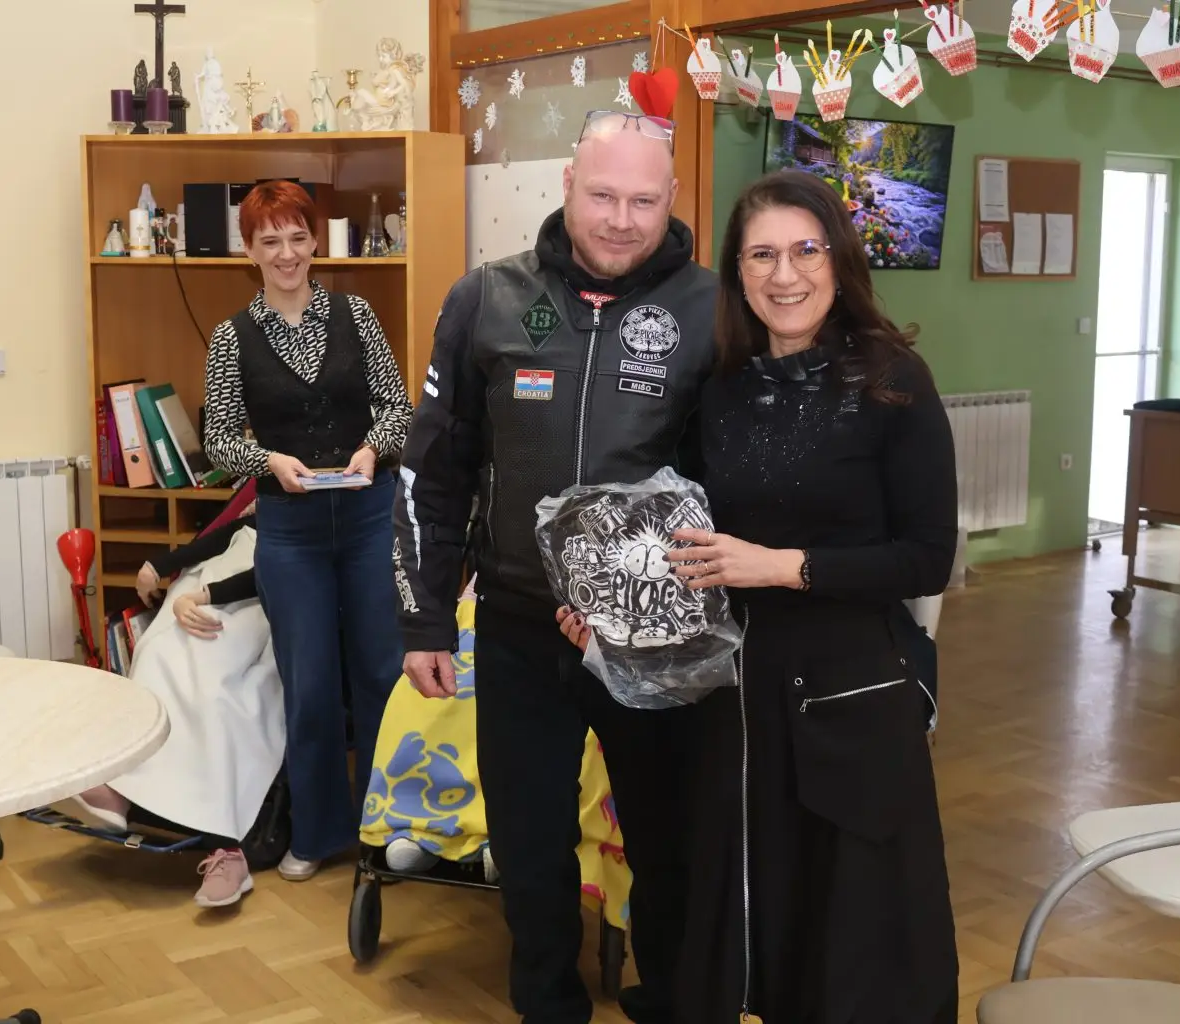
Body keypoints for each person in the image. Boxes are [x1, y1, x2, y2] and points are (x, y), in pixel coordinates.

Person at [560, 170, 960, 1021]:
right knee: (762, 932)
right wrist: (611, 610)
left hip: (854, 704)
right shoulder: (724, 393)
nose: (785, 275)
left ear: (838, 259)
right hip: (740, 709)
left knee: (851, 952)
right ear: (737, 274)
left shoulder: (894, 382)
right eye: (761, 256)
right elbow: (690, 545)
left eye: (805, 250)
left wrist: (782, 567)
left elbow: (926, 559)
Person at [392, 109, 717, 1024]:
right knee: (530, 845)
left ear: (672, 198)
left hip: (652, 635)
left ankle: (672, 1001)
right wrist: (424, 617)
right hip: (521, 627)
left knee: (668, 843)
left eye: (644, 201)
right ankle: (548, 1005)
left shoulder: (713, 309)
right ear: (568, 184)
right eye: (603, 195)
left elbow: (733, 483)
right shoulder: (485, 299)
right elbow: (434, 469)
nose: (621, 220)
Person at [202, 179, 413, 880]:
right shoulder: (231, 338)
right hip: (290, 530)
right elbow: (218, 439)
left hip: (368, 516)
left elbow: (398, 407)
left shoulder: (357, 314)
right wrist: (269, 461)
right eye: (270, 241)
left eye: (297, 237)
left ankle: (386, 830)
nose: (286, 253)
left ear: (316, 241)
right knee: (311, 683)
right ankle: (318, 834)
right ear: (249, 251)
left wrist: (372, 449)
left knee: (382, 672)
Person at [72, 503, 284, 908]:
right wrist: (157, 566)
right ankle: (123, 788)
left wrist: (202, 596)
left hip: (252, 604)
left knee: (213, 687)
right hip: (205, 594)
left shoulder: (314, 511)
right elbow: (220, 538)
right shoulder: (262, 500)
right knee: (156, 655)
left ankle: (227, 846)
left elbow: (272, 573)